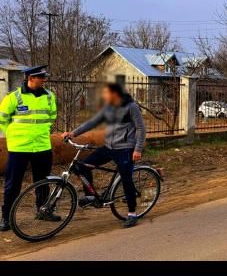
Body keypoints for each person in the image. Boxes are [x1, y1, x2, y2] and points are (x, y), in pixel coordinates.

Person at [61, 83, 146, 228]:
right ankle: (91, 195)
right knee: (82, 167)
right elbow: (92, 122)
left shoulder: (131, 107)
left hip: (125, 149)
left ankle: (132, 213)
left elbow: (140, 128)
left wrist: (137, 149)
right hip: (108, 147)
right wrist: (73, 133)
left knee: (126, 181)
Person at [0, 65, 58, 231]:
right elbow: (2, 119)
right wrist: (12, 135)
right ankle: (6, 218)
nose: (44, 80)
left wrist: (43, 131)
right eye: (41, 77)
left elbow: (52, 116)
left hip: (42, 146)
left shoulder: (49, 96)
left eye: (44, 77)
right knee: (13, 184)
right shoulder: (14, 97)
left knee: (43, 181)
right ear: (30, 78)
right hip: (19, 148)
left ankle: (43, 211)